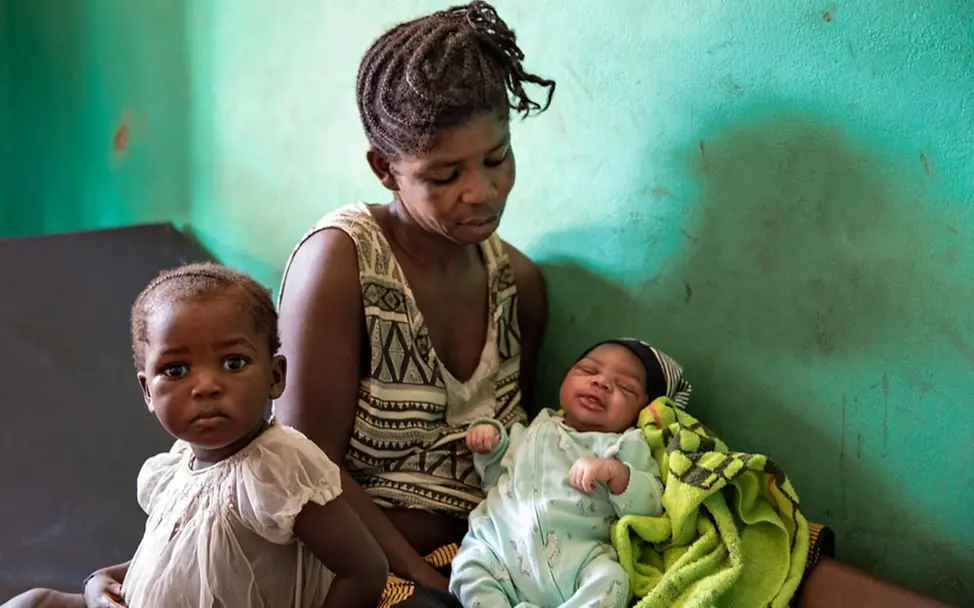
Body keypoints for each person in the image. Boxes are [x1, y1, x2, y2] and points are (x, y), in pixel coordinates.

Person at [273, 2, 555, 606]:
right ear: (385, 169)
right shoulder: (342, 264)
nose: (481, 191)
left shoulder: (520, 286)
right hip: (358, 563)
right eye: (445, 174)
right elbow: (303, 466)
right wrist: (425, 579)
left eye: (496, 159)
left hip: (492, 552)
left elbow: (522, 456)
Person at [2, 263, 388, 608]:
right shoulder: (177, 465)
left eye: (233, 363)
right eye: (175, 370)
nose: (205, 386)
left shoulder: (278, 468)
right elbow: (176, 558)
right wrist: (101, 580)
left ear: (275, 376)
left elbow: (365, 571)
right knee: (34, 603)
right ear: (147, 392)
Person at [450, 339, 693, 608]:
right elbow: (496, 481)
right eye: (588, 371)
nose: (601, 382)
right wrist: (490, 448)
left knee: (612, 580)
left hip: (575, 562)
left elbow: (652, 504)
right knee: (466, 566)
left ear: (642, 411)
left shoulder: (623, 444)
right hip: (497, 550)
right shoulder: (532, 429)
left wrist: (616, 474)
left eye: (625, 386)